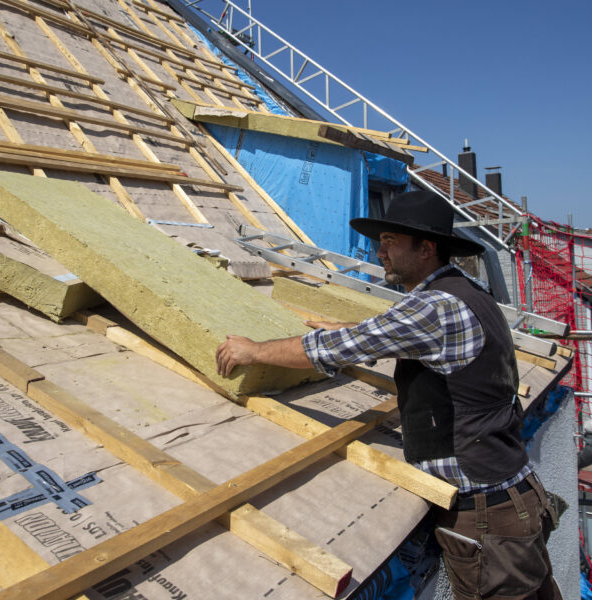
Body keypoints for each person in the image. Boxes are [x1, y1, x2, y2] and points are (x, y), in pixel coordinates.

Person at [216, 189, 560, 600]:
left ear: (427, 248)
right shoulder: (466, 290)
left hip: (488, 518)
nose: (380, 252)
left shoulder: (435, 309)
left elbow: (338, 348)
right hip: (515, 501)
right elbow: (388, 335)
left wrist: (254, 351)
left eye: (391, 242)